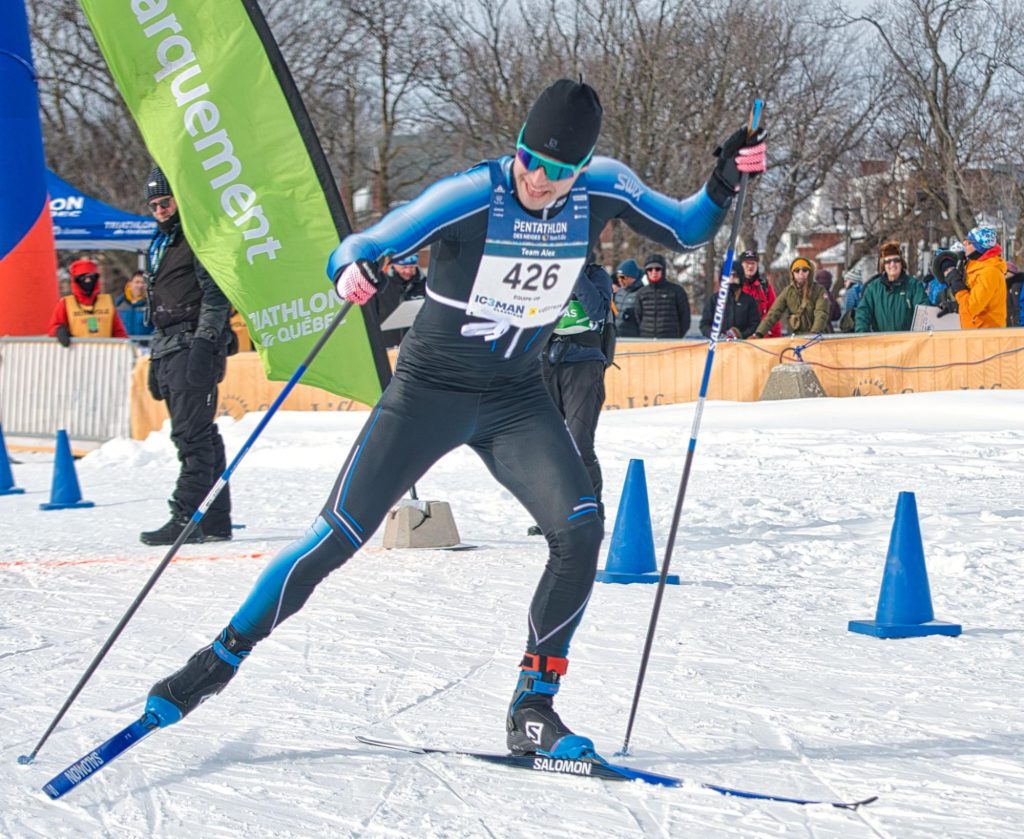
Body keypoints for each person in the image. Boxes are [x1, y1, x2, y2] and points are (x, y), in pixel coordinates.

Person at [143, 79, 766, 760]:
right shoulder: (474, 194)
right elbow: (362, 244)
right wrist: (352, 269)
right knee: (337, 536)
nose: (537, 177)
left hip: (515, 397)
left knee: (581, 528)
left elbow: (687, 228)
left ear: (580, 170)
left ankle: (533, 705)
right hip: (427, 394)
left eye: (557, 170)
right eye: (529, 158)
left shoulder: (602, 189)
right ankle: (220, 657)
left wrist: (723, 179)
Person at [140, 167, 235, 546]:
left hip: (193, 344)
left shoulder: (196, 238)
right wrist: (154, 358)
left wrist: (205, 342)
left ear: (180, 200)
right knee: (203, 435)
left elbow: (216, 296)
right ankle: (215, 519)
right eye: (153, 206)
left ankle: (186, 516)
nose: (160, 210)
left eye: (165, 202)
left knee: (190, 435)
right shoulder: (161, 243)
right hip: (168, 346)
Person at [536, 263, 613, 532]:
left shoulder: (595, 274)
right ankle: (552, 513)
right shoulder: (545, 270)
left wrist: (574, 272)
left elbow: (598, 311)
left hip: (583, 363)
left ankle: (591, 511)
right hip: (546, 361)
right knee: (548, 444)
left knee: (580, 443)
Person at [47, 258, 128, 346]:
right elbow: (53, 327)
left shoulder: (107, 301)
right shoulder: (65, 303)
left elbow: (118, 331)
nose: (88, 281)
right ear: (76, 280)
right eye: (83, 277)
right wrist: (59, 331)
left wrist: (125, 347)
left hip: (104, 353)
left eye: (91, 277)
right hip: (76, 353)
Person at [855, 241, 928, 333]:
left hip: (908, 344)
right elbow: (863, 313)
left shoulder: (913, 285)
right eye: (888, 261)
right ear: (883, 265)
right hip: (882, 343)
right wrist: (862, 335)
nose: (892, 264)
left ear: (901, 263)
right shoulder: (873, 289)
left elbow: (924, 310)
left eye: (896, 260)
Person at [944, 225, 1007, 329]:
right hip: (975, 331)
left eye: (969, 242)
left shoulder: (989, 272)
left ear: (979, 247)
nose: (964, 243)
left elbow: (969, 308)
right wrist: (954, 306)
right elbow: (973, 299)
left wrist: (956, 283)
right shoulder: (975, 267)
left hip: (985, 336)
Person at [753, 256, 829, 337]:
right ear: (792, 273)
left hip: (819, 337)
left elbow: (821, 313)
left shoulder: (819, 290)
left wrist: (815, 333)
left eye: (805, 270)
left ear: (810, 272)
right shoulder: (788, 292)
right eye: (797, 270)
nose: (801, 273)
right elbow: (773, 313)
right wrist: (759, 333)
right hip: (797, 337)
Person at [377, 253, 428, 346]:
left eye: (412, 267)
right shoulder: (382, 286)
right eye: (404, 267)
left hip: (418, 345)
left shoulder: (426, 284)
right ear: (394, 265)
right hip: (390, 344)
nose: (408, 271)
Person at [635, 253, 691, 338]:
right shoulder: (641, 293)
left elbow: (685, 318)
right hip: (646, 340)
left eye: (657, 269)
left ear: (663, 270)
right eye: (650, 269)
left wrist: (677, 336)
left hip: (670, 341)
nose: (654, 272)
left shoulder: (676, 291)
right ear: (646, 272)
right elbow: (638, 317)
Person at [698, 268, 760, 338]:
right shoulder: (714, 300)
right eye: (728, 275)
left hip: (743, 344)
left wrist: (741, 335)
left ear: (740, 277)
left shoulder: (749, 300)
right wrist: (717, 335)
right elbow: (704, 325)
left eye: (735, 275)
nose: (731, 278)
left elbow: (755, 324)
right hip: (718, 344)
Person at [734, 250, 779, 338]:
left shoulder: (765, 286)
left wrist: (776, 338)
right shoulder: (734, 287)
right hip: (739, 339)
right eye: (747, 263)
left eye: (753, 263)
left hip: (762, 339)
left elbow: (774, 313)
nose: (750, 266)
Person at [115, 270, 155, 339]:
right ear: (130, 284)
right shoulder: (119, 303)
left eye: (143, 283)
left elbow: (156, 328)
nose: (140, 285)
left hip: (146, 347)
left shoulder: (152, 304)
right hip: (124, 346)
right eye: (137, 282)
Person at [612, 258, 643, 337]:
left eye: (623, 277)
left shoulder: (642, 293)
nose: (620, 280)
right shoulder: (619, 292)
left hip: (633, 338)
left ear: (633, 277)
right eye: (618, 277)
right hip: (617, 336)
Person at [1005, 261, 1024, 328]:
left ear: (1012, 273)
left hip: (1017, 326)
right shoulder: (1006, 287)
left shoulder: (1016, 286)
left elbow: (1017, 307)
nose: (1004, 275)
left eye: (1006, 272)